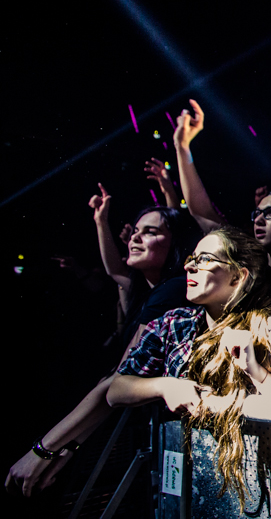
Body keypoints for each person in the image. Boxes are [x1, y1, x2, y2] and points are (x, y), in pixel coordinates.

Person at [6, 199, 200, 497]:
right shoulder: (148, 290)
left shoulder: (172, 290)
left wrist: (44, 450)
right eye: (135, 230)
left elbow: (118, 379)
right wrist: (101, 221)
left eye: (149, 232)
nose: (135, 237)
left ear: (177, 242)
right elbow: (115, 271)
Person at [107, 227, 271, 509]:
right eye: (191, 258)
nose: (188, 266)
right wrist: (164, 386)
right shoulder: (175, 324)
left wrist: (253, 369)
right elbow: (116, 390)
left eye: (204, 259)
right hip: (186, 493)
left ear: (238, 276)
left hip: (262, 493)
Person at [171, 99, 271, 276]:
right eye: (257, 213)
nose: (258, 220)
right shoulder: (250, 266)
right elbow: (202, 212)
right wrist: (182, 146)